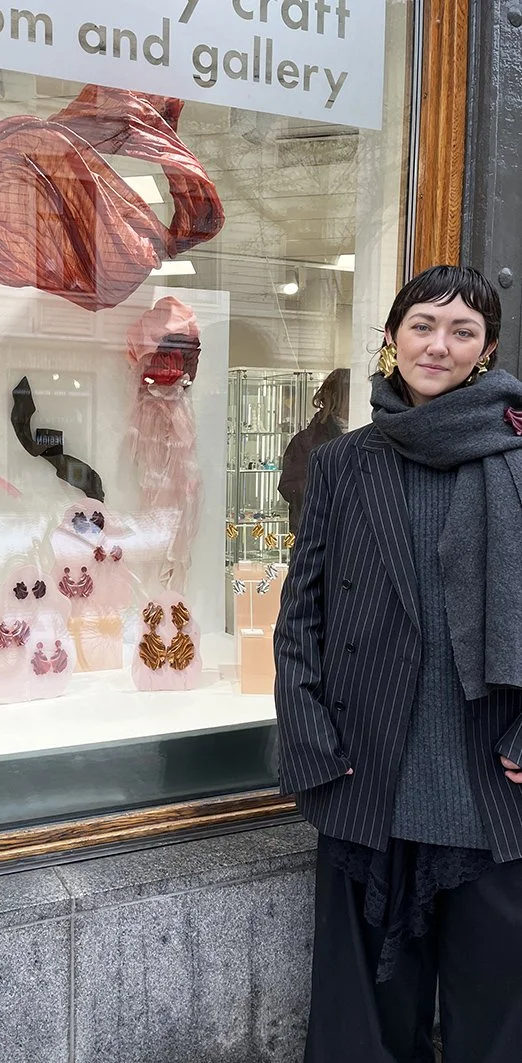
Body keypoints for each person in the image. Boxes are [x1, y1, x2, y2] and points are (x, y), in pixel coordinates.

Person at [273, 265, 522, 1063]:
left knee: (499, 1019)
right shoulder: (344, 462)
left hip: (491, 781)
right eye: (422, 325)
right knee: (364, 1026)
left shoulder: (517, 457)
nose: (438, 345)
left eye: (462, 330)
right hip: (368, 772)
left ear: (486, 350)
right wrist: (314, 744)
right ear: (391, 336)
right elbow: (300, 616)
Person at [278, 368, 350, 534]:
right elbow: (292, 489)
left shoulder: (369, 432)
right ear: (336, 398)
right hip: (319, 532)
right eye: (349, 394)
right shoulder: (306, 441)